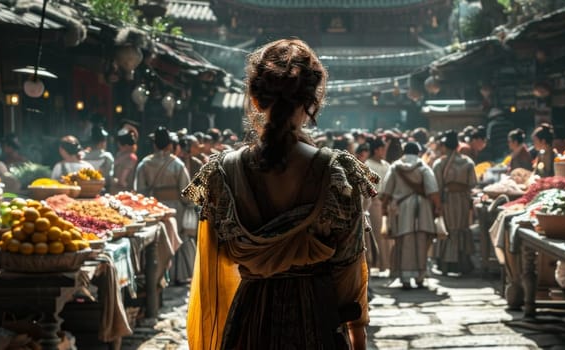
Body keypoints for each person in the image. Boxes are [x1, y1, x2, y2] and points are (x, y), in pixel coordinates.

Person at [182, 39, 373, 350]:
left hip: (249, 319)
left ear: (255, 100)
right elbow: (350, 265)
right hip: (317, 316)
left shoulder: (223, 173)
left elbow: (213, 273)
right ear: (312, 102)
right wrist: (358, 338)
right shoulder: (336, 174)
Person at [380, 141, 442, 290]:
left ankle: (405, 278)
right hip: (423, 209)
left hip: (401, 209)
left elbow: (386, 191)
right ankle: (420, 276)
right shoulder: (423, 167)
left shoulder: (395, 167)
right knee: (422, 240)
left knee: (403, 241)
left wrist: (384, 207)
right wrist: (438, 207)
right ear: (418, 152)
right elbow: (433, 191)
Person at [432, 131, 477, 276]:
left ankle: (445, 265)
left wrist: (437, 206)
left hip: (447, 201)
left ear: (445, 146)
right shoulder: (468, 162)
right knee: (462, 229)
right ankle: (463, 264)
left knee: (448, 230)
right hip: (463, 201)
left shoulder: (439, 163)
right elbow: (472, 183)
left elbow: (436, 187)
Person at [365, 137, 393, 276]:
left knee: (387, 234)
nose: (384, 151)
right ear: (376, 150)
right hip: (374, 202)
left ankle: (386, 264)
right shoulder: (368, 164)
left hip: (386, 202)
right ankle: (377, 263)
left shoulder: (387, 165)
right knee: (377, 234)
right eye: (382, 149)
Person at [82, 125, 115, 192]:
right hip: (101, 190)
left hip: (83, 189)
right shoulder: (106, 156)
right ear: (102, 143)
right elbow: (109, 178)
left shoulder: (82, 155)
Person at [111, 128, 139, 194]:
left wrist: (111, 180)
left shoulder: (131, 158)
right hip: (116, 191)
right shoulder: (120, 155)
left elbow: (122, 181)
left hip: (125, 193)